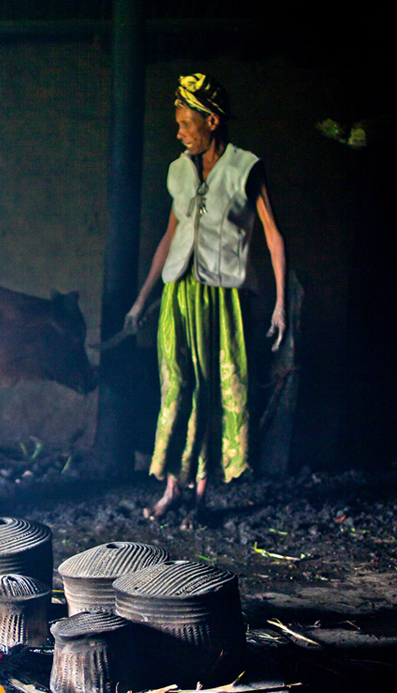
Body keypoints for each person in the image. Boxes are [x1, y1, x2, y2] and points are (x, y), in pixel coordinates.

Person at [126, 72, 287, 521]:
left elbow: (273, 237)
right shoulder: (179, 171)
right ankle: (172, 486)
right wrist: (143, 300)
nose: (178, 132)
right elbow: (169, 236)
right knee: (176, 385)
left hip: (223, 298)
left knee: (213, 390)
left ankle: (199, 493)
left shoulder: (245, 169)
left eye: (185, 123)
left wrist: (279, 305)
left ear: (211, 121)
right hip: (179, 295)